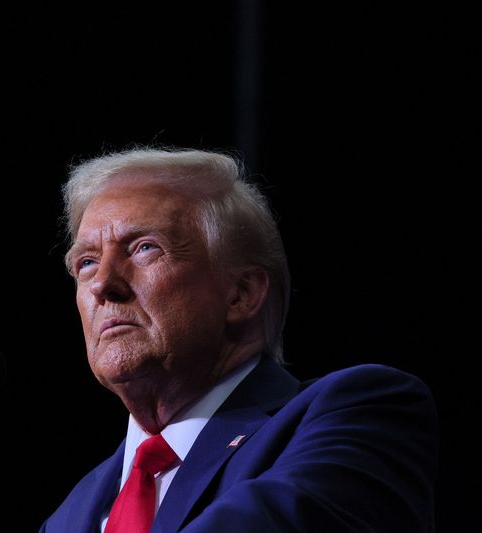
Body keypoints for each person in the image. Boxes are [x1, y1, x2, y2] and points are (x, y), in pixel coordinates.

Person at [39, 147, 438, 532]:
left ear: (241, 294)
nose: (103, 285)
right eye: (86, 262)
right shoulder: (69, 517)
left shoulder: (359, 415)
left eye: (145, 248)